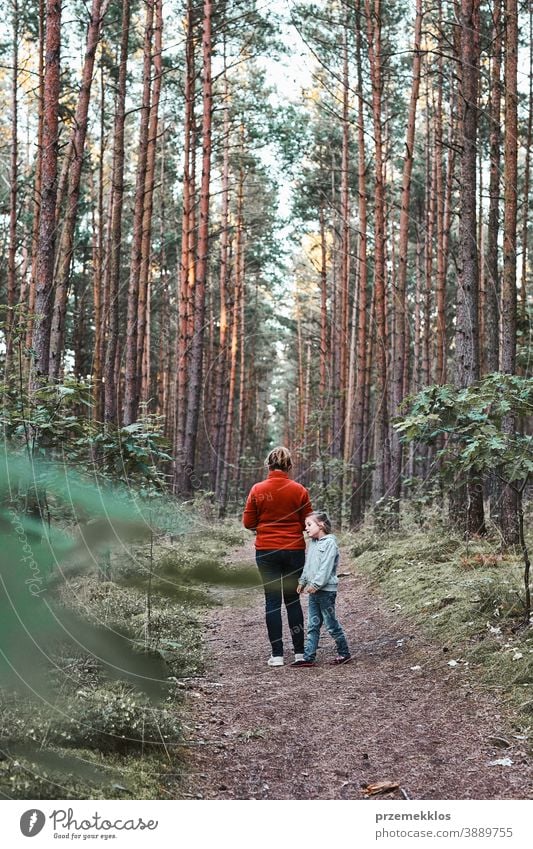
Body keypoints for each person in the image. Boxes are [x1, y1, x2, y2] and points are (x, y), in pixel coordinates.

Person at [243, 446, 313, 667]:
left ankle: (277, 655)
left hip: (267, 551)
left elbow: (248, 523)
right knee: (292, 600)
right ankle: (300, 653)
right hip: (294, 550)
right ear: (289, 466)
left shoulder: (257, 489)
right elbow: (308, 522)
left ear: (268, 465)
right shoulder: (299, 490)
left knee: (272, 602)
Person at [292, 511, 351, 667]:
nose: (306, 528)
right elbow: (308, 565)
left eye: (309, 525)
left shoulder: (330, 543)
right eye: (306, 525)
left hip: (326, 592)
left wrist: (316, 584)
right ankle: (308, 657)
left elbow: (326, 568)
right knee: (312, 625)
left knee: (331, 624)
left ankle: (344, 653)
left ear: (321, 525)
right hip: (313, 591)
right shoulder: (313, 543)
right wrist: (303, 581)